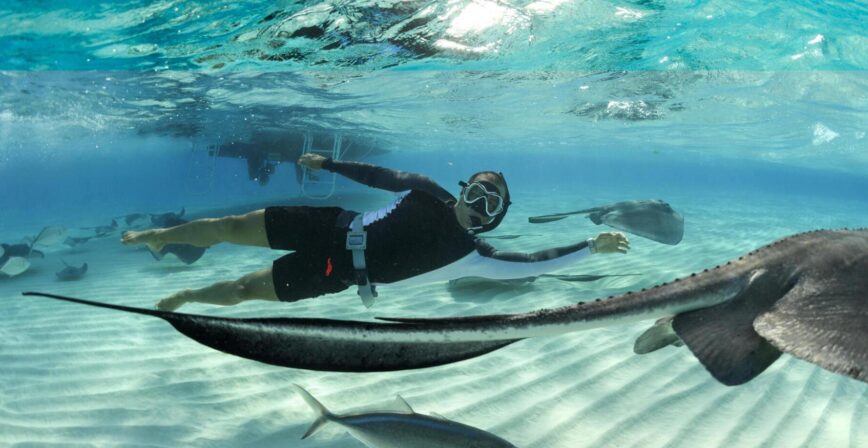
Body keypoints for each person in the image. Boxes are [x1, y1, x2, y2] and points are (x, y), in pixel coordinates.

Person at [122, 154, 630, 311]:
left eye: (491, 203)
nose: (479, 205)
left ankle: (187, 294)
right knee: (230, 227)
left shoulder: (475, 255)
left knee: (242, 289)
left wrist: (591, 245)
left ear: (496, 217)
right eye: (476, 191)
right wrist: (328, 162)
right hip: (331, 224)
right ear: (462, 190)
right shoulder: (429, 192)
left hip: (337, 271)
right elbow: (380, 177)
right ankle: (163, 235)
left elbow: (536, 263)